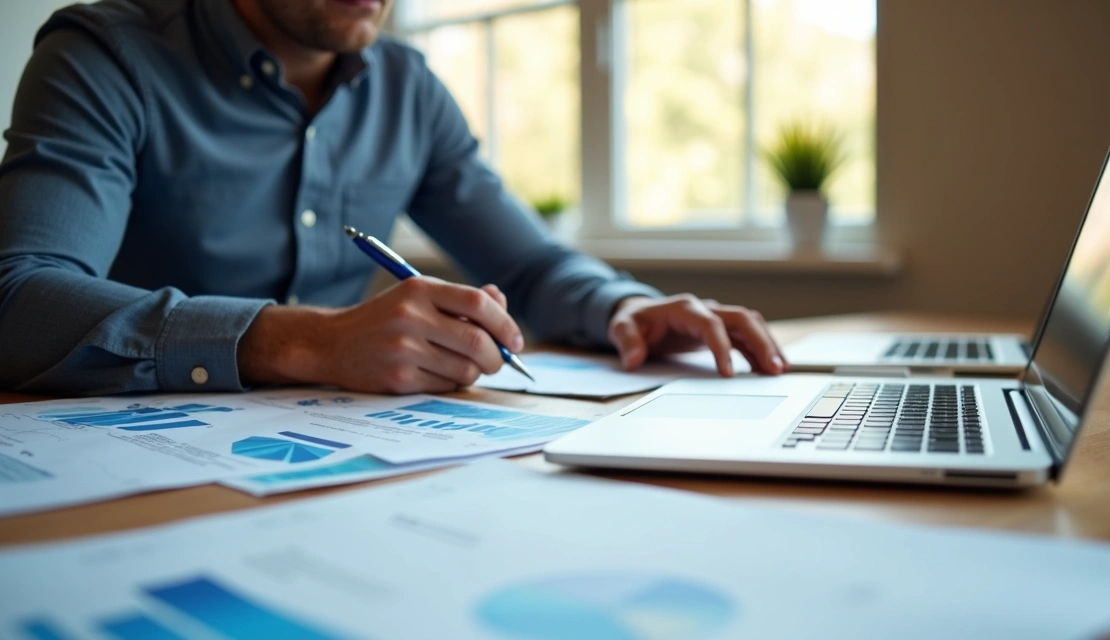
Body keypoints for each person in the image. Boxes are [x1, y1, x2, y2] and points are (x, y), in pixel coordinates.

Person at [0, 0, 787, 396]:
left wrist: (622, 304)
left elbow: (531, 265)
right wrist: (305, 342)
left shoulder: (409, 89)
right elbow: (17, 296)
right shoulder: (104, 58)